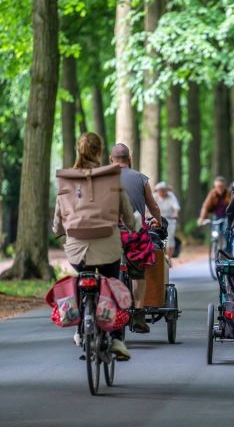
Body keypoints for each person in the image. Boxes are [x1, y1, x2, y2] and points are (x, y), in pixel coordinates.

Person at [53, 132, 135, 360]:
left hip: (77, 250)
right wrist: (134, 226)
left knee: (82, 279)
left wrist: (58, 231)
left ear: (78, 151)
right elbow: (127, 214)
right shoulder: (112, 177)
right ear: (100, 153)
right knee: (113, 283)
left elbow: (59, 218)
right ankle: (117, 338)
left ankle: (81, 330)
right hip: (108, 247)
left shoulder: (66, 179)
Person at [110, 143, 162, 334]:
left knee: (107, 270)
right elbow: (153, 205)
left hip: (110, 231)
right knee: (138, 272)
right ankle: (139, 314)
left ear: (111, 159)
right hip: (134, 230)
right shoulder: (141, 178)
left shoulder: (103, 177)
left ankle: (110, 309)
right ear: (129, 159)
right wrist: (158, 222)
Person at [197, 176, 232, 254]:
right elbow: (206, 206)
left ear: (224, 186)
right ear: (215, 187)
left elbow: (232, 207)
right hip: (217, 216)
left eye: (221, 186)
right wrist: (201, 218)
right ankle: (216, 250)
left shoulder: (228, 194)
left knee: (226, 231)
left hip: (226, 216)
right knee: (215, 233)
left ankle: (228, 251)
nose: (219, 188)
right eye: (217, 187)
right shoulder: (212, 194)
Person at [149, 181, 180, 263]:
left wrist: (175, 214)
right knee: (155, 237)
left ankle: (170, 258)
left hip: (169, 220)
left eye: (163, 190)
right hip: (157, 220)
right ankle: (157, 257)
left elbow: (176, 207)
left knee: (170, 238)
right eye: (160, 190)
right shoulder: (154, 196)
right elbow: (148, 207)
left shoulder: (171, 196)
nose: (162, 192)